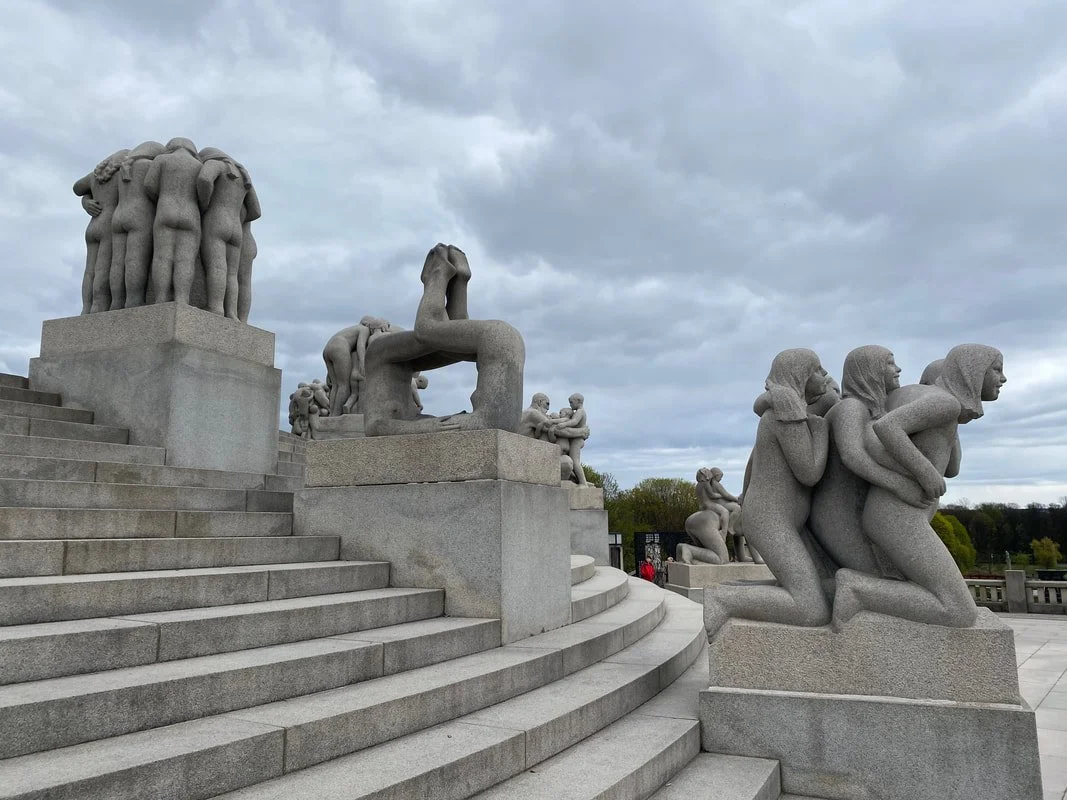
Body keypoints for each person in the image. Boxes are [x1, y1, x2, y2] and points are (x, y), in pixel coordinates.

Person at [833, 345, 1006, 628]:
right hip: (899, 518)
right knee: (959, 611)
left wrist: (955, 425)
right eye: (996, 369)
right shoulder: (944, 403)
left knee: (942, 597)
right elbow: (884, 429)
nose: (1003, 378)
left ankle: (858, 588)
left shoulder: (926, 399)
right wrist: (923, 473)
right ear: (973, 371)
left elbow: (951, 468)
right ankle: (857, 590)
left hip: (894, 516)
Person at [704, 348, 832, 637]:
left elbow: (752, 464)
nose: (825, 376)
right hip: (771, 521)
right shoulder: (786, 411)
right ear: (800, 376)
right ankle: (722, 600)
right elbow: (809, 472)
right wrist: (822, 431)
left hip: (777, 519)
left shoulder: (782, 408)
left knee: (811, 588)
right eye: (819, 370)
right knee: (811, 609)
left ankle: (732, 592)